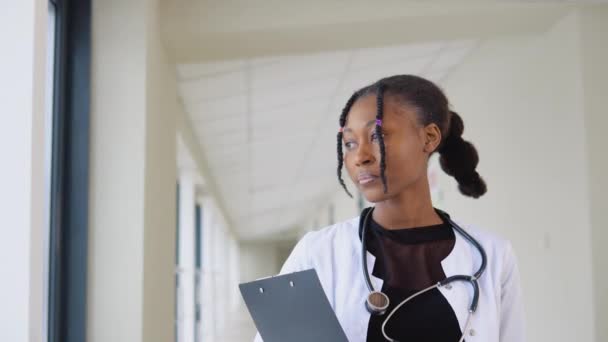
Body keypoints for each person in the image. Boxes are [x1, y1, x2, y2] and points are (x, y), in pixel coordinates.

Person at [254, 75, 525, 341]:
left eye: (376, 135)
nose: (360, 156)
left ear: (429, 137)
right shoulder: (317, 253)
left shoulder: (493, 256)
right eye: (349, 143)